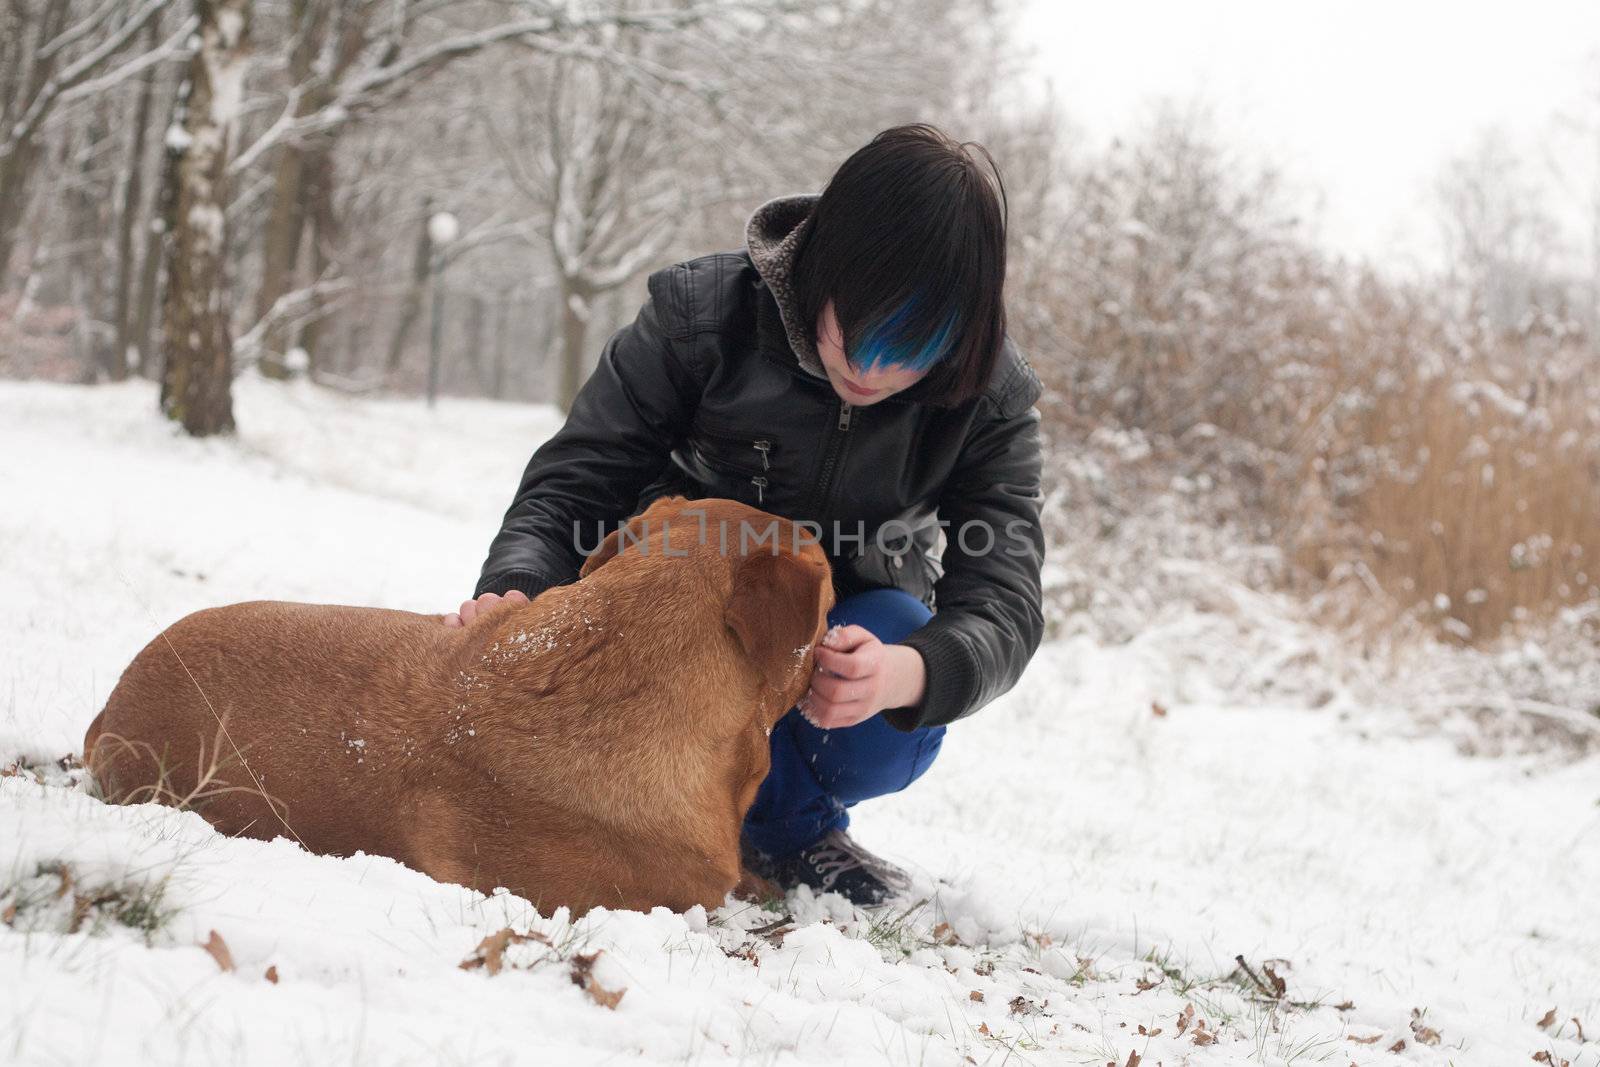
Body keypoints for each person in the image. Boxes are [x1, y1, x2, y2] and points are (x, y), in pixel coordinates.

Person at [444, 124, 1045, 906]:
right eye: (855, 328)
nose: (868, 369)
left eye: (912, 346)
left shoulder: (992, 401)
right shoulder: (700, 317)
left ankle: (789, 828)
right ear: (823, 264)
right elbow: (571, 486)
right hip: (662, 617)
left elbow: (1004, 599)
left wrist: (907, 672)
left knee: (898, 638)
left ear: (960, 333)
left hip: (833, 638)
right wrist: (520, 587)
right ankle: (618, 791)